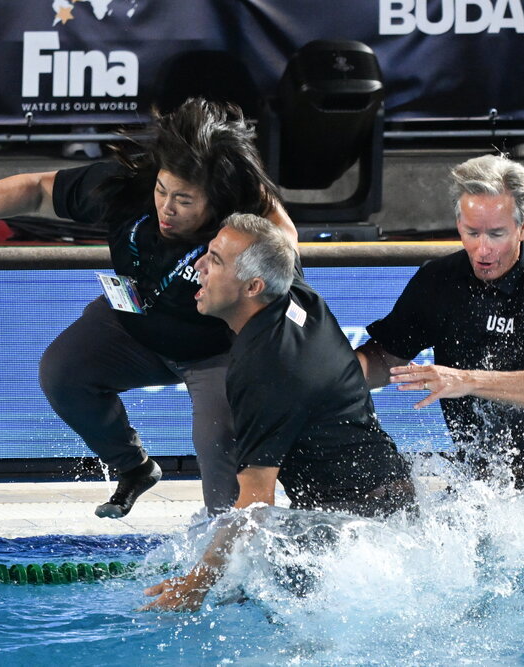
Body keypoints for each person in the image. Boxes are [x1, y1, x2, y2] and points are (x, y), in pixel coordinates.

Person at [0, 99, 297, 518]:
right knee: (63, 372)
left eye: (184, 201)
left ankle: (228, 554)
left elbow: (286, 263)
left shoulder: (248, 223)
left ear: (219, 198)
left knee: (220, 447)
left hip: (217, 351)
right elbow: (40, 189)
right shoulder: (129, 187)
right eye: (162, 190)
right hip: (134, 323)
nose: (166, 208)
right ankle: (134, 467)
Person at [355, 153, 524, 623]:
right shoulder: (439, 281)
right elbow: (383, 357)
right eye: (470, 232)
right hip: (484, 483)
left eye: (496, 234)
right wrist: (321, 381)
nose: (482, 248)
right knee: (465, 606)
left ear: (523, 227)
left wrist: (463, 380)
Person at [142, 213, 414, 612]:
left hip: (355, 532)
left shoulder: (266, 370)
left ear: (253, 286)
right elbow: (281, 229)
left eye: (215, 260)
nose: (197, 266)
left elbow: (255, 502)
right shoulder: (293, 291)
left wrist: (196, 585)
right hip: (390, 505)